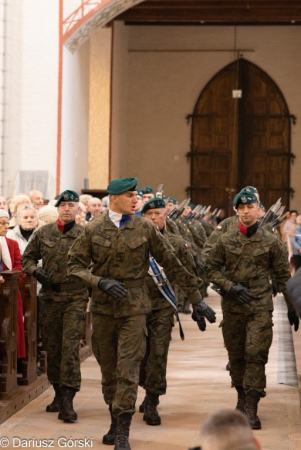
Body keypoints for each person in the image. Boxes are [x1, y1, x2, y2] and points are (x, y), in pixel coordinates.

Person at [67, 177, 215, 450]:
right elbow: (74, 266)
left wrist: (197, 300)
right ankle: (114, 417)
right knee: (109, 371)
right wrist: (99, 282)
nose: (136, 200)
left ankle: (123, 429)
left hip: (135, 308)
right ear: (113, 198)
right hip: (102, 309)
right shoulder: (92, 229)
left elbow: (173, 263)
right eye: (130, 196)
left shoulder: (145, 227)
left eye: (136, 195)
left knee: (129, 367)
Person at [205, 191, 299, 430]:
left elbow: (281, 275)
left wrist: (292, 306)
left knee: (256, 353)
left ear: (259, 210)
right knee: (236, 355)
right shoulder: (225, 240)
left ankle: (252, 407)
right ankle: (241, 397)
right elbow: (211, 269)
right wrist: (228, 286)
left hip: (259, 302)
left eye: (251, 206)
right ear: (236, 210)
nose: (246, 211)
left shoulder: (270, 241)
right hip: (234, 303)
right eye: (241, 207)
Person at [138, 198, 212, 426]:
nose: (153, 218)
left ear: (165, 215)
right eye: (148, 214)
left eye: (157, 213)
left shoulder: (176, 242)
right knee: (138, 355)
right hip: (135, 307)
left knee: (158, 354)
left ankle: (152, 400)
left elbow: (187, 274)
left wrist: (197, 303)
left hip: (162, 306)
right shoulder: (132, 239)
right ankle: (144, 385)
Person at [21, 190, 89, 422]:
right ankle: (58, 392)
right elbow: (27, 259)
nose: (67, 209)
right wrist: (35, 270)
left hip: (75, 298)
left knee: (69, 347)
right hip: (49, 299)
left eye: (72, 205)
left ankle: (68, 400)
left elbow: (97, 264)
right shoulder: (43, 233)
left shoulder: (85, 234)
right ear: (58, 208)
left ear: (78, 208)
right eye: (63, 205)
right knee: (53, 348)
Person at [0, 209, 26, 361]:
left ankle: (11, 360)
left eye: (7, 223)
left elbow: (19, 266)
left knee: (11, 326)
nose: (5, 226)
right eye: (2, 223)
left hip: (10, 291)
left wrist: (6, 278)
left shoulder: (12, 243)